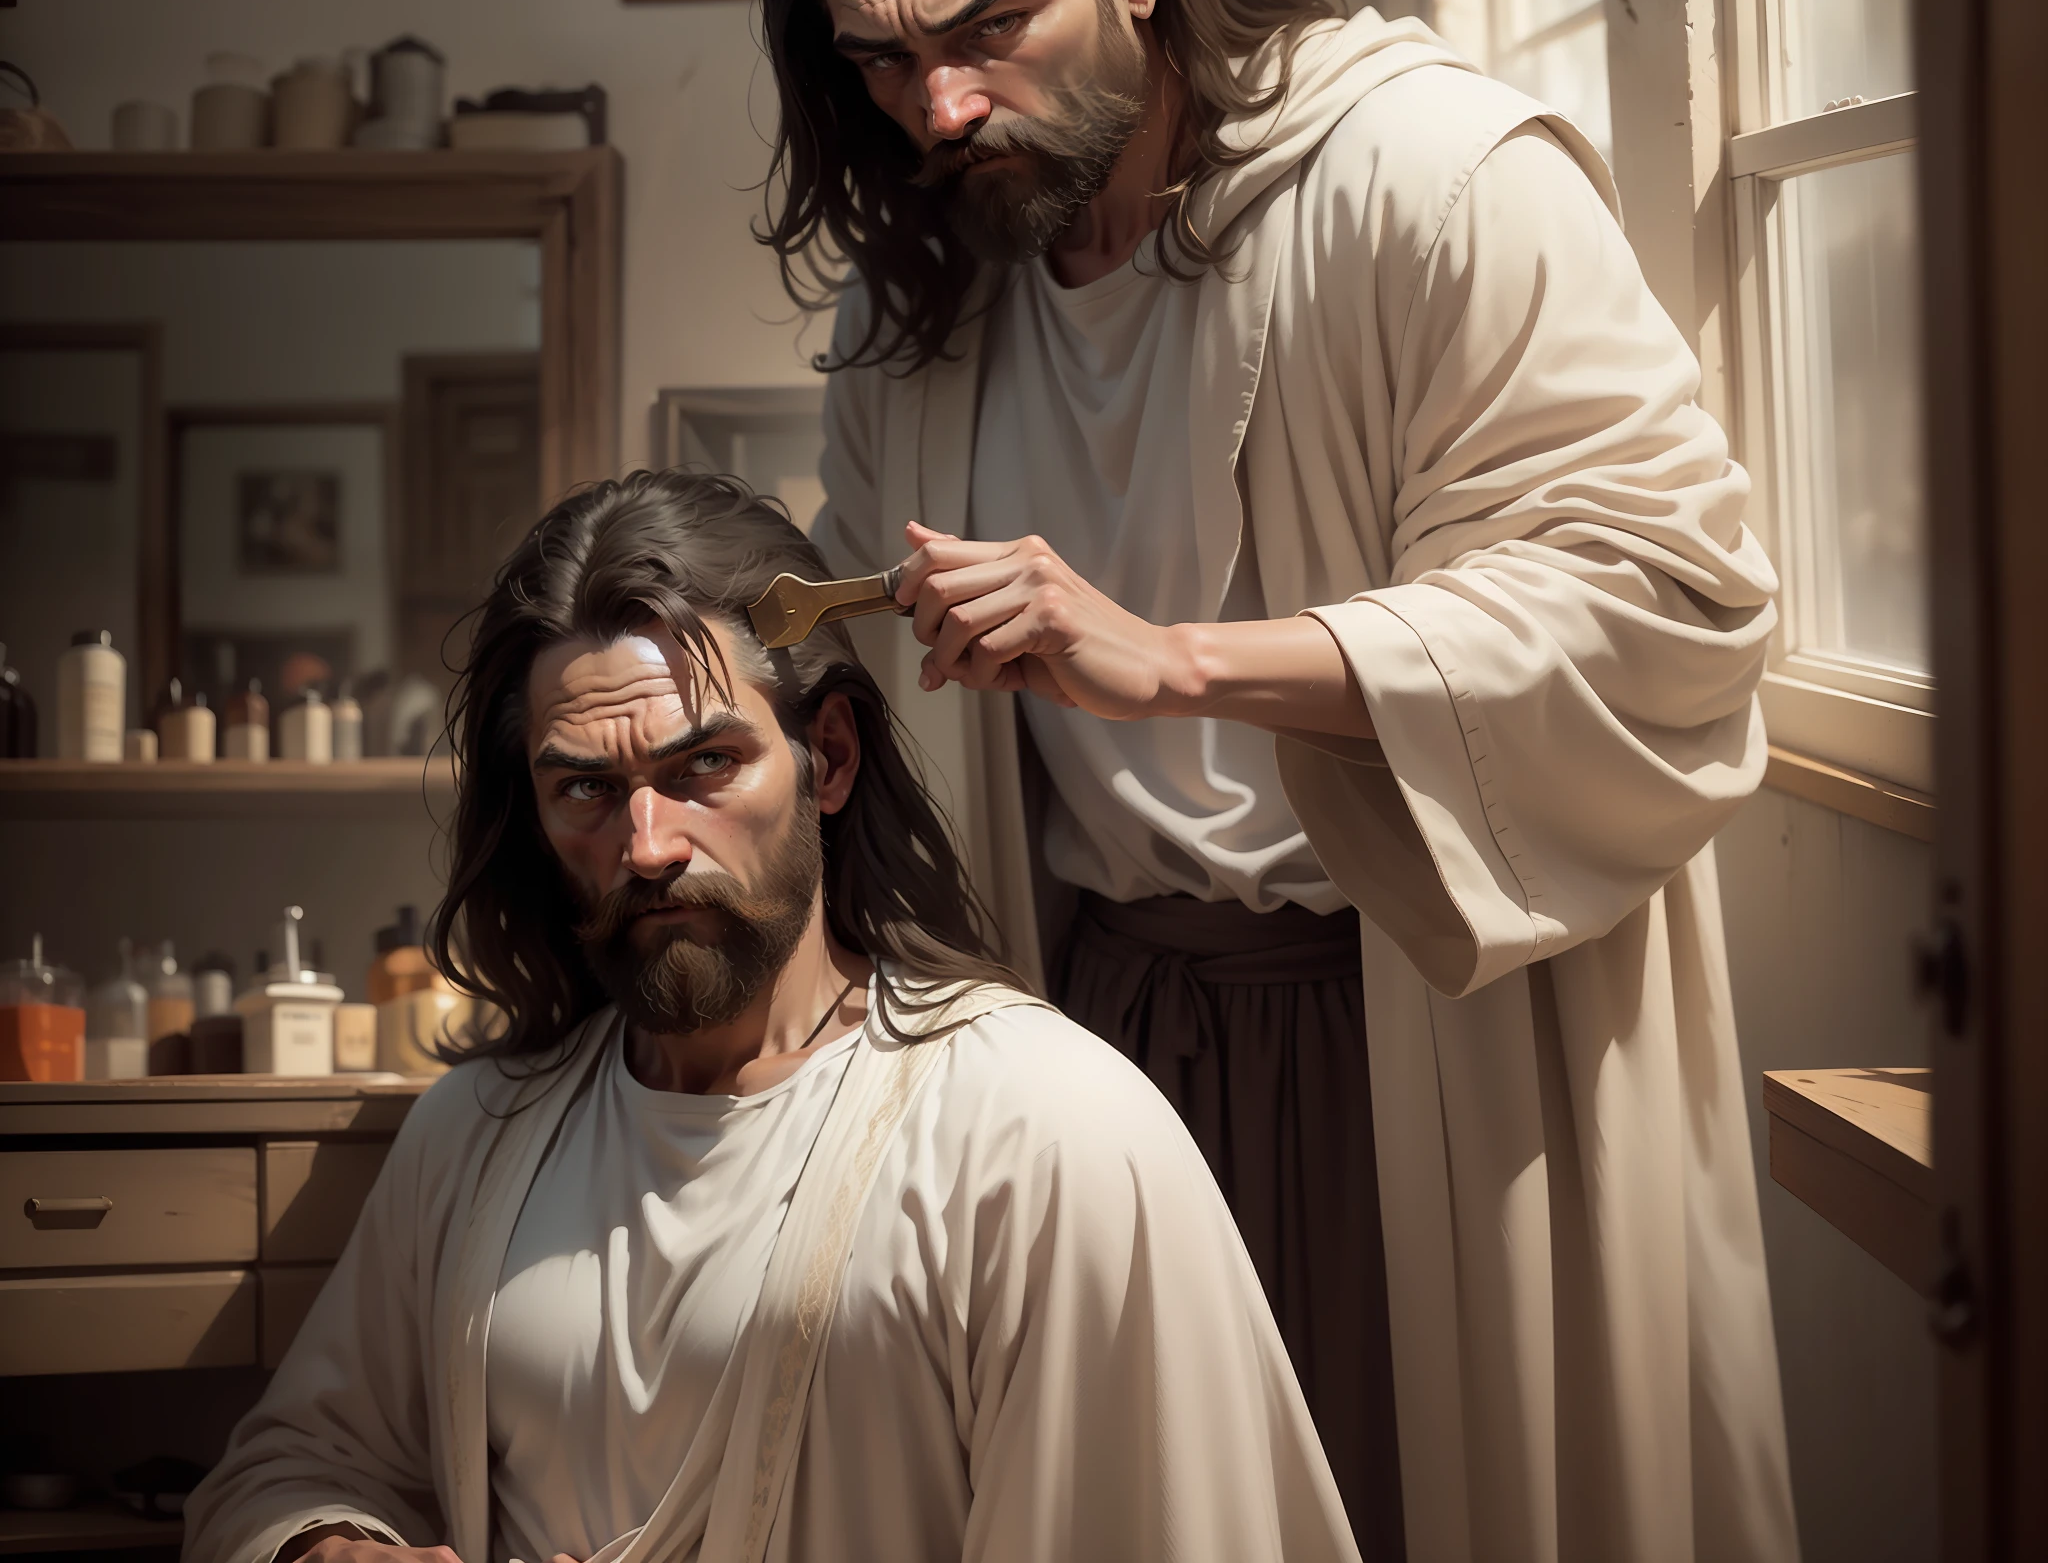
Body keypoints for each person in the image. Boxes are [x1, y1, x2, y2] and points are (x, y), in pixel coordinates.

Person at [755, 0, 1799, 1563]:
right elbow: (879, 715)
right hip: (1078, 1031)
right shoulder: (912, 307)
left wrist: (1175, 659)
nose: (940, 108)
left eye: (991, 29)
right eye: (886, 61)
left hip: (1404, 1019)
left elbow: (1671, 594)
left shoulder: (1433, 181)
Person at [182, 470, 1358, 1563]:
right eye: (585, 788)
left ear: (827, 756)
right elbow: (294, 1464)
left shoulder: (1041, 1130)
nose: (646, 845)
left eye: (704, 764)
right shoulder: (478, 1133)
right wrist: (327, 1544)